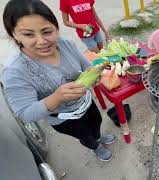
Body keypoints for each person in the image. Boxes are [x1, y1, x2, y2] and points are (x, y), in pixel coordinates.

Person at [1, 0, 115, 161]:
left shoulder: (66, 44)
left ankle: (98, 137)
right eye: (28, 34)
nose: (41, 41)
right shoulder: (14, 71)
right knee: (84, 134)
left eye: (47, 32)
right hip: (63, 117)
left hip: (85, 102)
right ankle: (95, 146)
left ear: (56, 28)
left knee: (96, 121)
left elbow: (86, 66)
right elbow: (24, 113)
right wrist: (57, 97)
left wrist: (94, 74)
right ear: (14, 33)